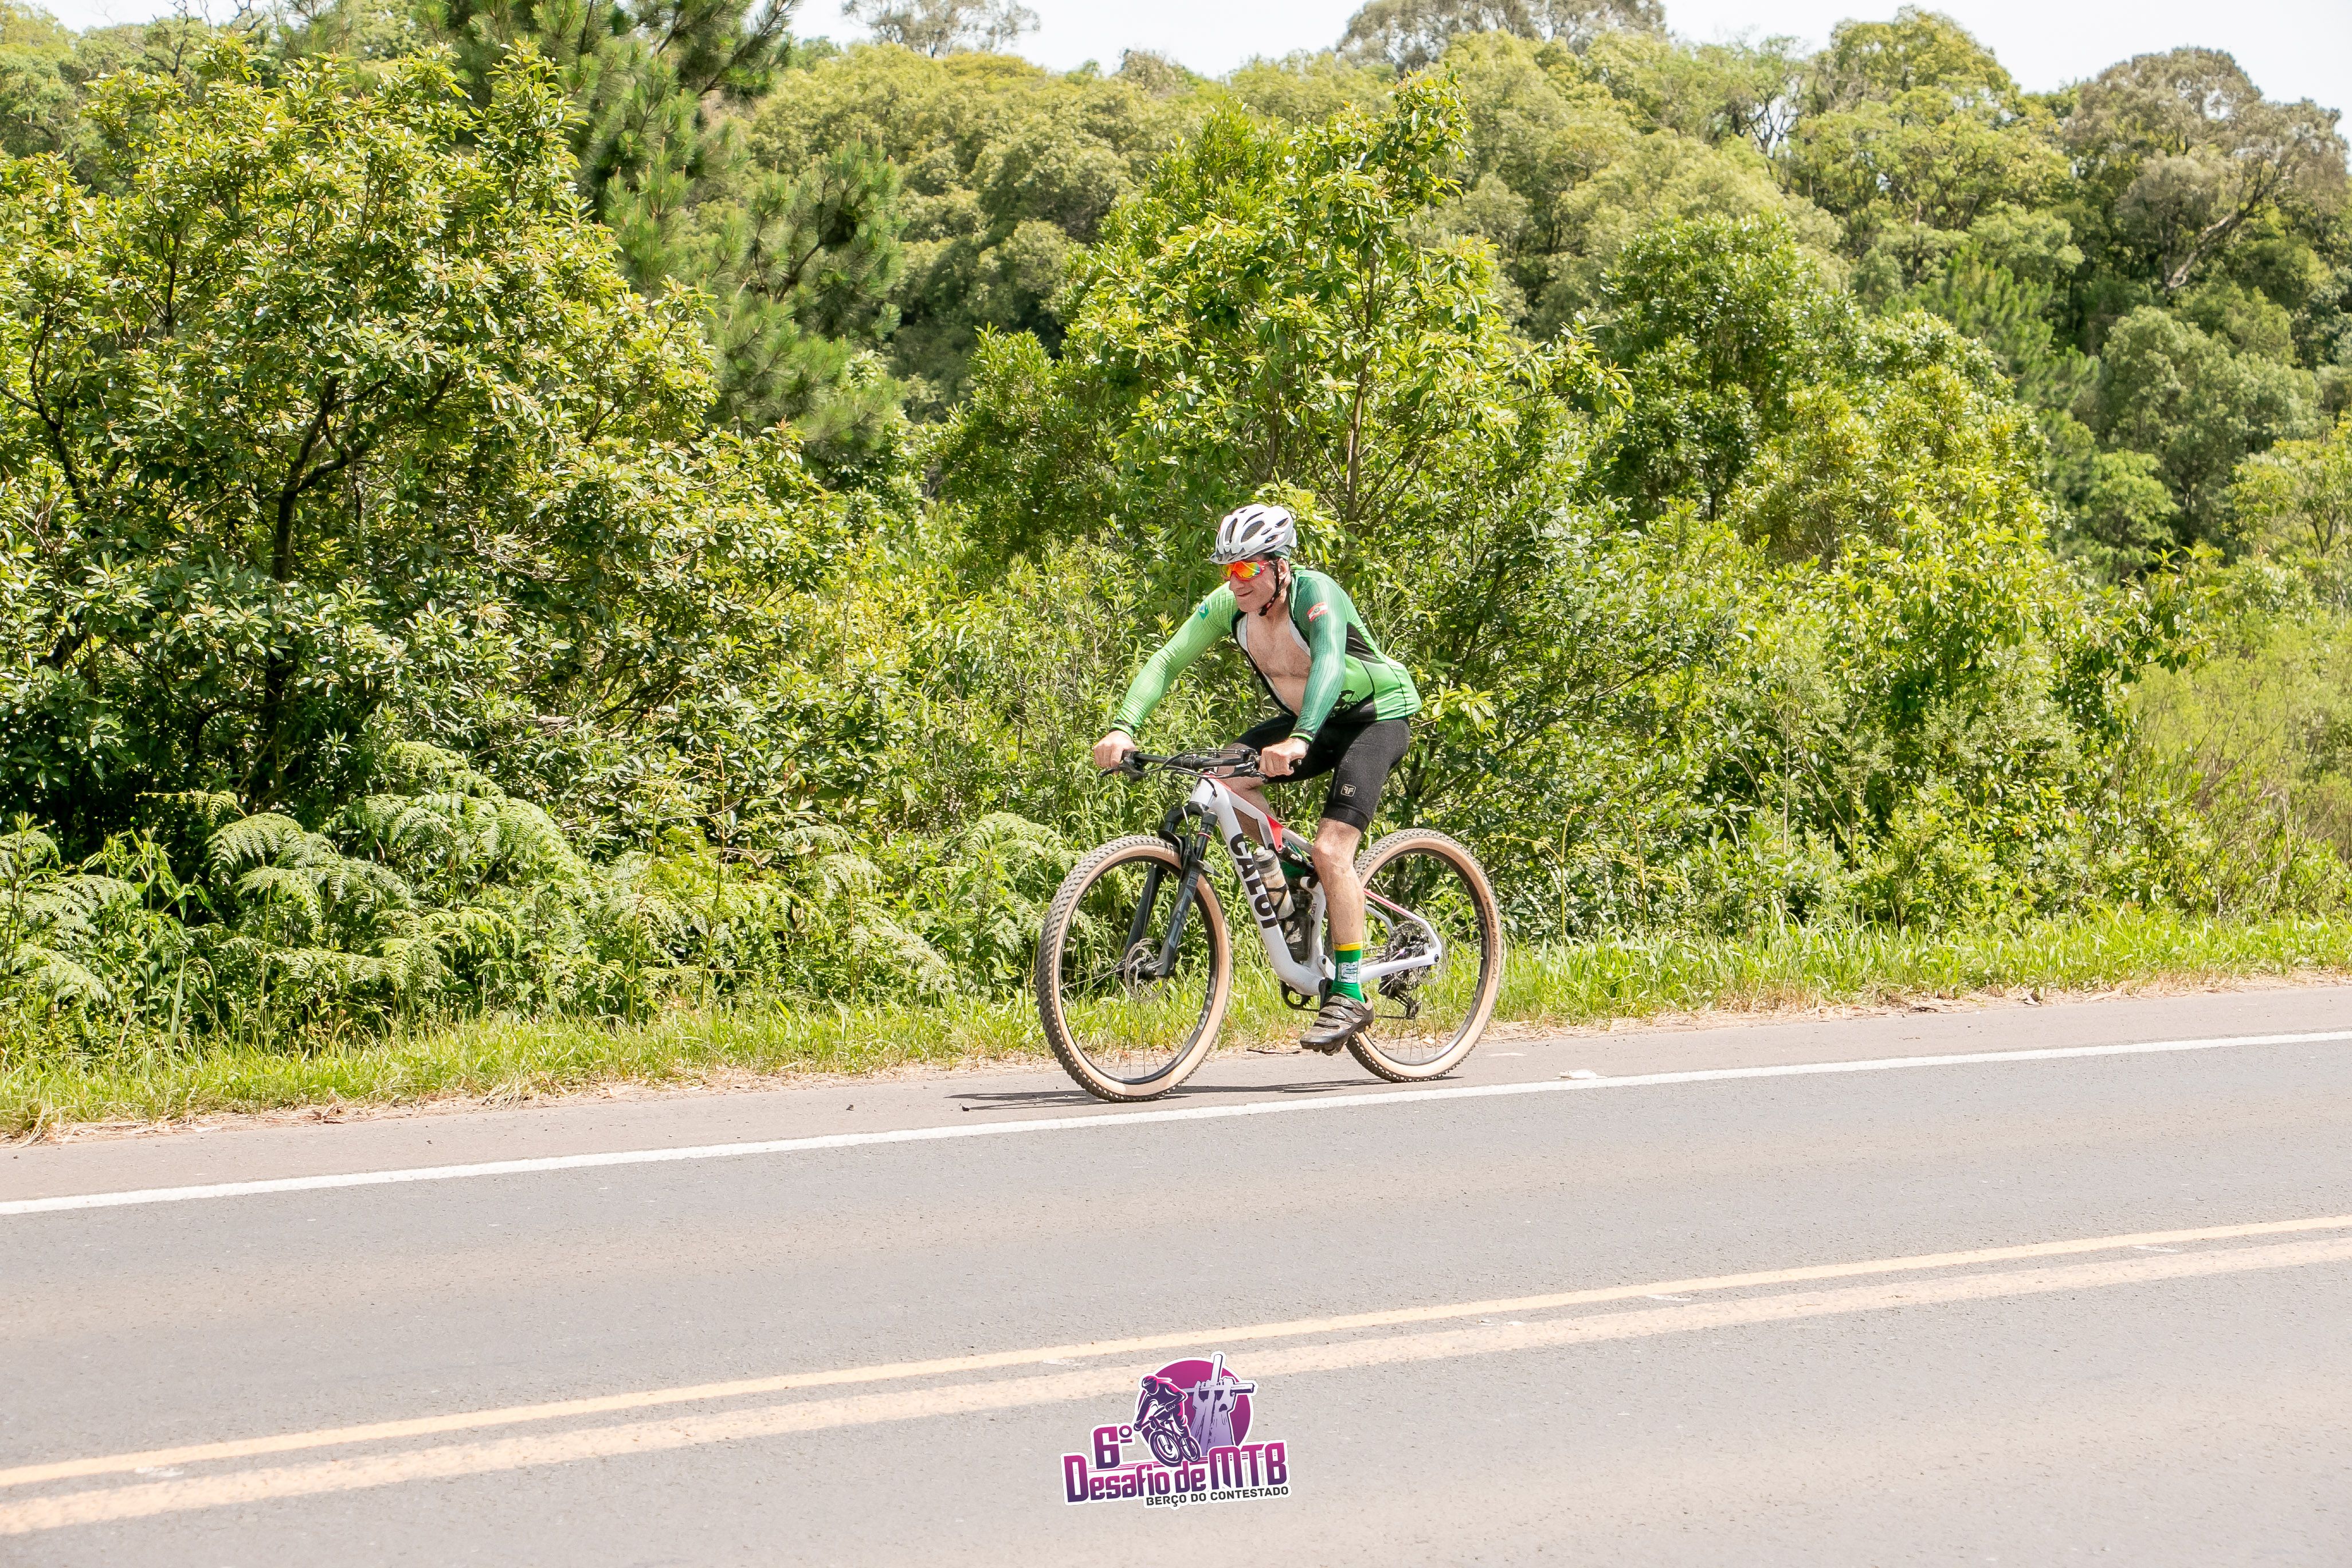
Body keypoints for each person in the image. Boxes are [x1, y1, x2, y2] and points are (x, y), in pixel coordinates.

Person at [1091, 503, 1420, 1052]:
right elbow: (1169, 660)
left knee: (1332, 850)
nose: (1235, 580)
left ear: (1279, 566)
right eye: (1229, 568)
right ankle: (1289, 880)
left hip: (1374, 719)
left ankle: (1348, 991)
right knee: (1223, 777)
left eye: (1246, 568)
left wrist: (1300, 739)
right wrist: (1124, 726)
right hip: (1310, 720)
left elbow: (1329, 663)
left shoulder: (1316, 594)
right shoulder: (1231, 606)